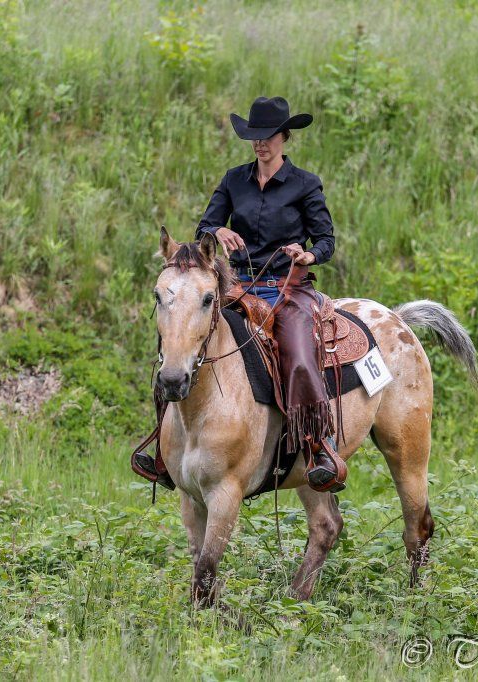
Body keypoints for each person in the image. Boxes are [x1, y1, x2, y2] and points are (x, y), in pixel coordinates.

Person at [134, 95, 346, 493]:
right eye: (254, 136)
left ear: (284, 137)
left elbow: (327, 240)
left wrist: (308, 253)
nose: (260, 143)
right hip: (236, 288)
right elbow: (206, 226)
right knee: (177, 341)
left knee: (299, 354)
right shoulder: (234, 179)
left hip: (288, 289)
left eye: (268, 136)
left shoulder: (305, 184)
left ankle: (319, 446)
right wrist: (217, 233)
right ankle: (163, 449)